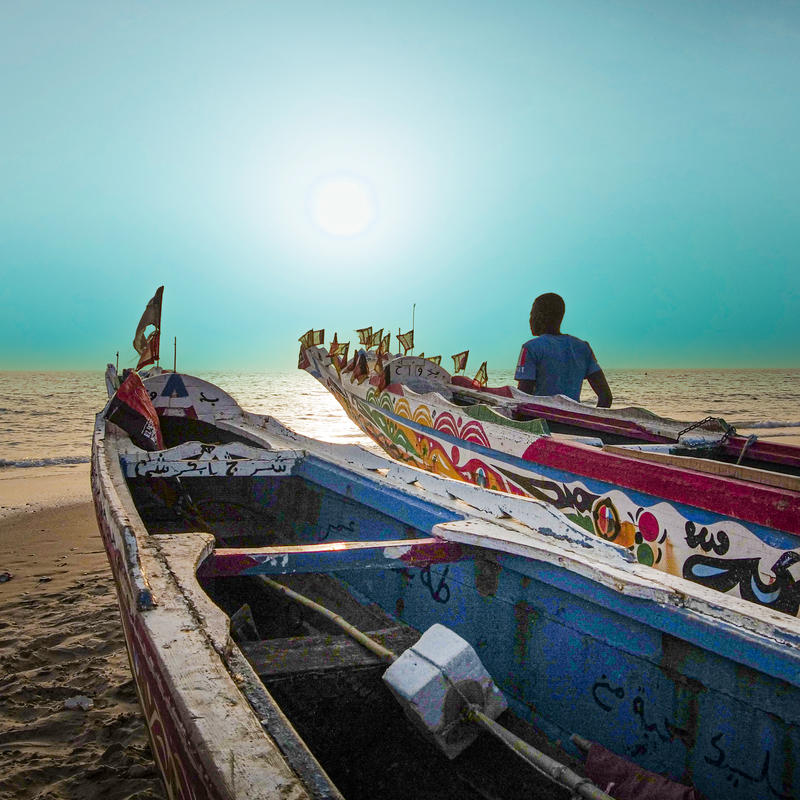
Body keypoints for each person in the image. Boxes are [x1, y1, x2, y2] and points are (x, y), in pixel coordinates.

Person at [515, 293, 612, 407]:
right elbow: (606, 397)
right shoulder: (582, 347)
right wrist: (592, 423)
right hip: (573, 422)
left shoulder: (530, 348)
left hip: (541, 421)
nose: (530, 319)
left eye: (532, 314)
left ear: (540, 316)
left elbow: (522, 399)